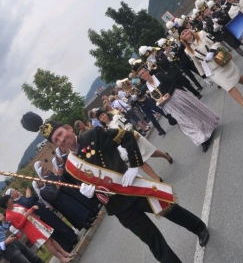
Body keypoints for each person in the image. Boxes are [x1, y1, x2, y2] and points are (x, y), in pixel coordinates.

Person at [21, 113, 210, 263]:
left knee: (171, 211)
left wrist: (135, 166)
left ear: (68, 128)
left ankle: (199, 227)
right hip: (118, 208)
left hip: (133, 187)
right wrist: (89, 195)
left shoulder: (93, 134)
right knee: (153, 241)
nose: (62, 139)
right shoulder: (70, 168)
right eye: (57, 140)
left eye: (61, 133)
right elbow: (89, 194)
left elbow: (127, 137)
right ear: (56, 145)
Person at [132, 63, 219, 152]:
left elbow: (173, 82)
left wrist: (169, 93)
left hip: (177, 97)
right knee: (184, 123)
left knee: (193, 113)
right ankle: (202, 140)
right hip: (168, 107)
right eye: (141, 75)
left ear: (147, 71)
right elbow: (154, 100)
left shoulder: (159, 76)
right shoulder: (146, 88)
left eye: (143, 72)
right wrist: (160, 103)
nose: (143, 75)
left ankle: (207, 127)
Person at [179, 27, 243, 117]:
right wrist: (204, 76)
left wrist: (211, 52)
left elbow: (216, 42)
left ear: (189, 30)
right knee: (228, 87)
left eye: (185, 31)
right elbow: (197, 63)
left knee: (238, 77)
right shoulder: (187, 50)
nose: (185, 33)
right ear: (182, 38)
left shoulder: (202, 34)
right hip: (212, 70)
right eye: (182, 33)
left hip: (221, 59)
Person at [97, 110, 173, 182]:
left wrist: (129, 135)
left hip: (135, 138)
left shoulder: (116, 117)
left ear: (106, 113)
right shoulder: (106, 130)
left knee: (152, 152)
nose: (103, 117)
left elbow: (128, 125)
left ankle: (166, 156)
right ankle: (157, 179)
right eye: (100, 117)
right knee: (140, 162)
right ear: (100, 120)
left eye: (103, 114)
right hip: (127, 146)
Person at [0, 195, 73, 263]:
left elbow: (26, 211)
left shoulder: (16, 205)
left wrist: (32, 209)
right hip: (31, 229)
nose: (11, 199)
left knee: (51, 238)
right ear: (6, 203)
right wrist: (26, 215)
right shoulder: (9, 216)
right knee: (48, 242)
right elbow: (18, 226)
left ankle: (64, 253)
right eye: (9, 199)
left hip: (35, 222)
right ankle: (61, 258)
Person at [5, 188, 78, 253]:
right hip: (39, 216)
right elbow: (28, 204)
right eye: (14, 191)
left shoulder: (22, 197)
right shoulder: (17, 204)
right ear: (12, 196)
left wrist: (31, 196)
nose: (16, 191)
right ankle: (67, 245)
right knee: (54, 229)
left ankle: (72, 237)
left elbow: (35, 198)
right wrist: (29, 195)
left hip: (42, 210)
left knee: (58, 223)